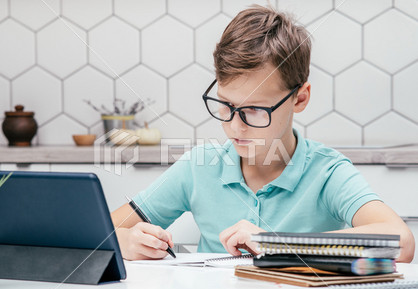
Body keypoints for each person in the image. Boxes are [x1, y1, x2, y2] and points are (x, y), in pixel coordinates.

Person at [111, 5, 415, 262]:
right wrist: (125, 241)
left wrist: (277, 244)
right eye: (226, 105)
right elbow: (100, 231)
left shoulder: (326, 172)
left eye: (256, 109)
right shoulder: (199, 167)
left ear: (300, 98)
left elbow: (401, 242)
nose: (235, 125)